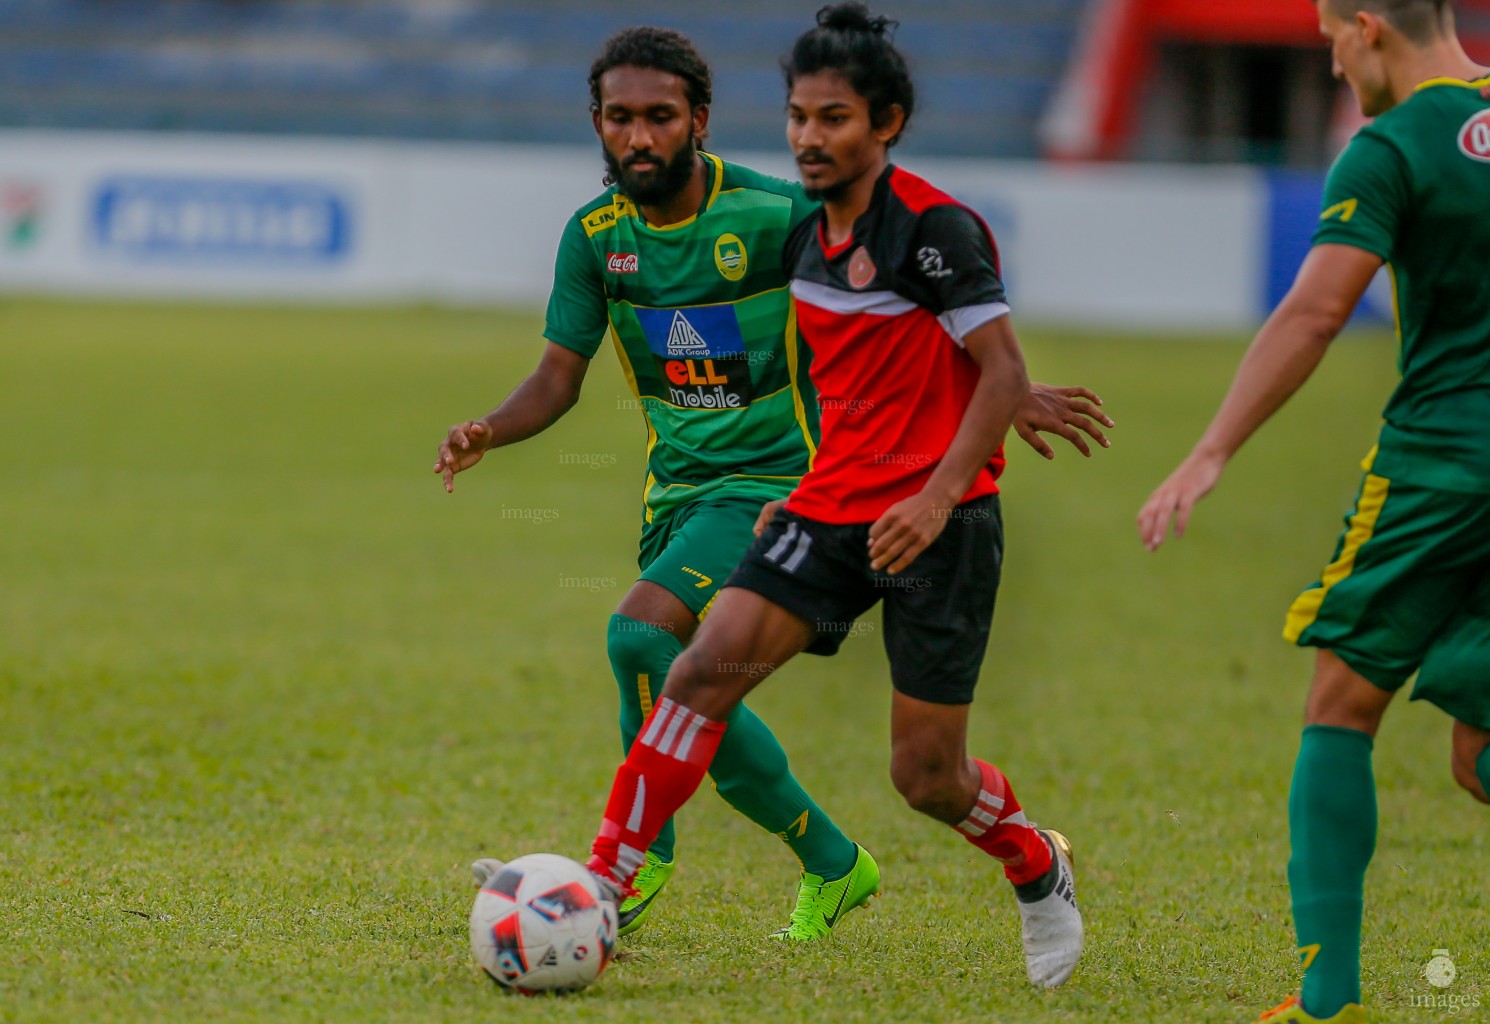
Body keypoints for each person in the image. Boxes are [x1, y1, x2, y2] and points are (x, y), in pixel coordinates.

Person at [440, 24, 1111, 944]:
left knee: (651, 641)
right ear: (597, 124)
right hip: (691, 493)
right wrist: (487, 428)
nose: (638, 137)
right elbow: (559, 378)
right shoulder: (597, 239)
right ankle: (825, 864)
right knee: (695, 681)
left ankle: (618, 877)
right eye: (619, 118)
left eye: (659, 117)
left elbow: (916, 307)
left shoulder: (778, 215)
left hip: (789, 483)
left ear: (699, 121)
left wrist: (1006, 390)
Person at [1138, 2, 1490, 1020]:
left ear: (1368, 27)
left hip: (1442, 467)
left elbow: (1313, 309)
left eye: (1331, 41)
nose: (1332, 66)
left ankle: (1325, 999)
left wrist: (1208, 450)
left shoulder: (1386, 149)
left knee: (1339, 705)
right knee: (1476, 753)